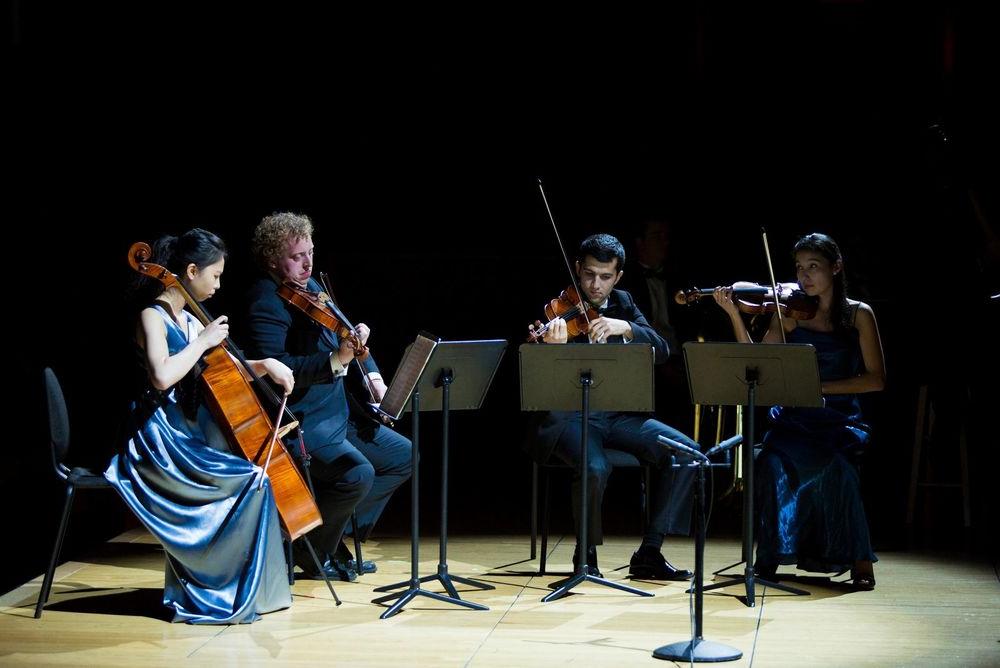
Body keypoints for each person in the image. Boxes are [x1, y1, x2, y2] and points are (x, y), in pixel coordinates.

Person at [105, 228, 296, 624]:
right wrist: (202, 341)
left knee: (257, 478)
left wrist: (263, 366)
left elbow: (219, 367)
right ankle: (211, 593)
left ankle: (243, 591)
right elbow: (162, 375)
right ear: (191, 271)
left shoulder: (189, 318)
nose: (219, 284)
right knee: (251, 482)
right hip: (158, 440)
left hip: (185, 434)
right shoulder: (152, 316)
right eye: (215, 275)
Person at [245, 212, 412, 582]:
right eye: (296, 256)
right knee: (357, 474)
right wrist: (336, 360)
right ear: (273, 259)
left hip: (341, 415)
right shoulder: (266, 302)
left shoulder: (311, 292)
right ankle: (318, 544)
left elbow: (351, 338)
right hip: (305, 420)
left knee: (403, 455)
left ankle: (322, 539)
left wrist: (373, 376)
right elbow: (279, 369)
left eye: (311, 252)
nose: (307, 263)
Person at [712, 232, 885, 590]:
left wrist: (818, 388)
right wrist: (734, 315)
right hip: (794, 421)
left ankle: (859, 558)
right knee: (771, 464)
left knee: (839, 470)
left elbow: (875, 379)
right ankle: (772, 556)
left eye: (814, 267)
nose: (804, 277)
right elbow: (755, 364)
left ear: (836, 268)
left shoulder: (858, 315)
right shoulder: (788, 316)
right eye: (799, 268)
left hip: (838, 420)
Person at [525, 233, 697, 580]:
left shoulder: (624, 302)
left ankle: (649, 552)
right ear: (577, 269)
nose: (595, 285)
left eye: (605, 277)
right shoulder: (558, 311)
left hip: (616, 416)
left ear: (618, 276)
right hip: (570, 420)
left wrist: (627, 328)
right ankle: (585, 555)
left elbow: (661, 350)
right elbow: (536, 383)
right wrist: (550, 350)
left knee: (686, 452)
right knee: (596, 466)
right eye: (588, 274)